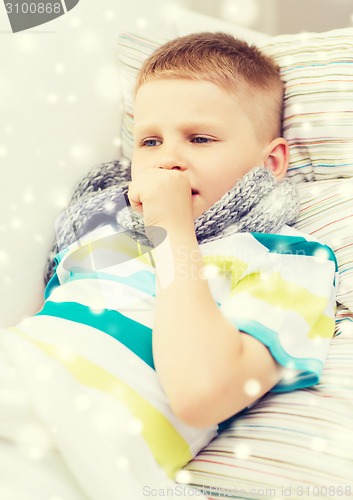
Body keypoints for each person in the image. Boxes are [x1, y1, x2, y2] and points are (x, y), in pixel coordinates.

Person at [41, 32, 337, 481]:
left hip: (78, 454)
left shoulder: (289, 259)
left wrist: (171, 229)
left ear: (271, 162)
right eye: (150, 142)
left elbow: (201, 393)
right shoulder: (100, 228)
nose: (169, 159)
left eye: (199, 139)